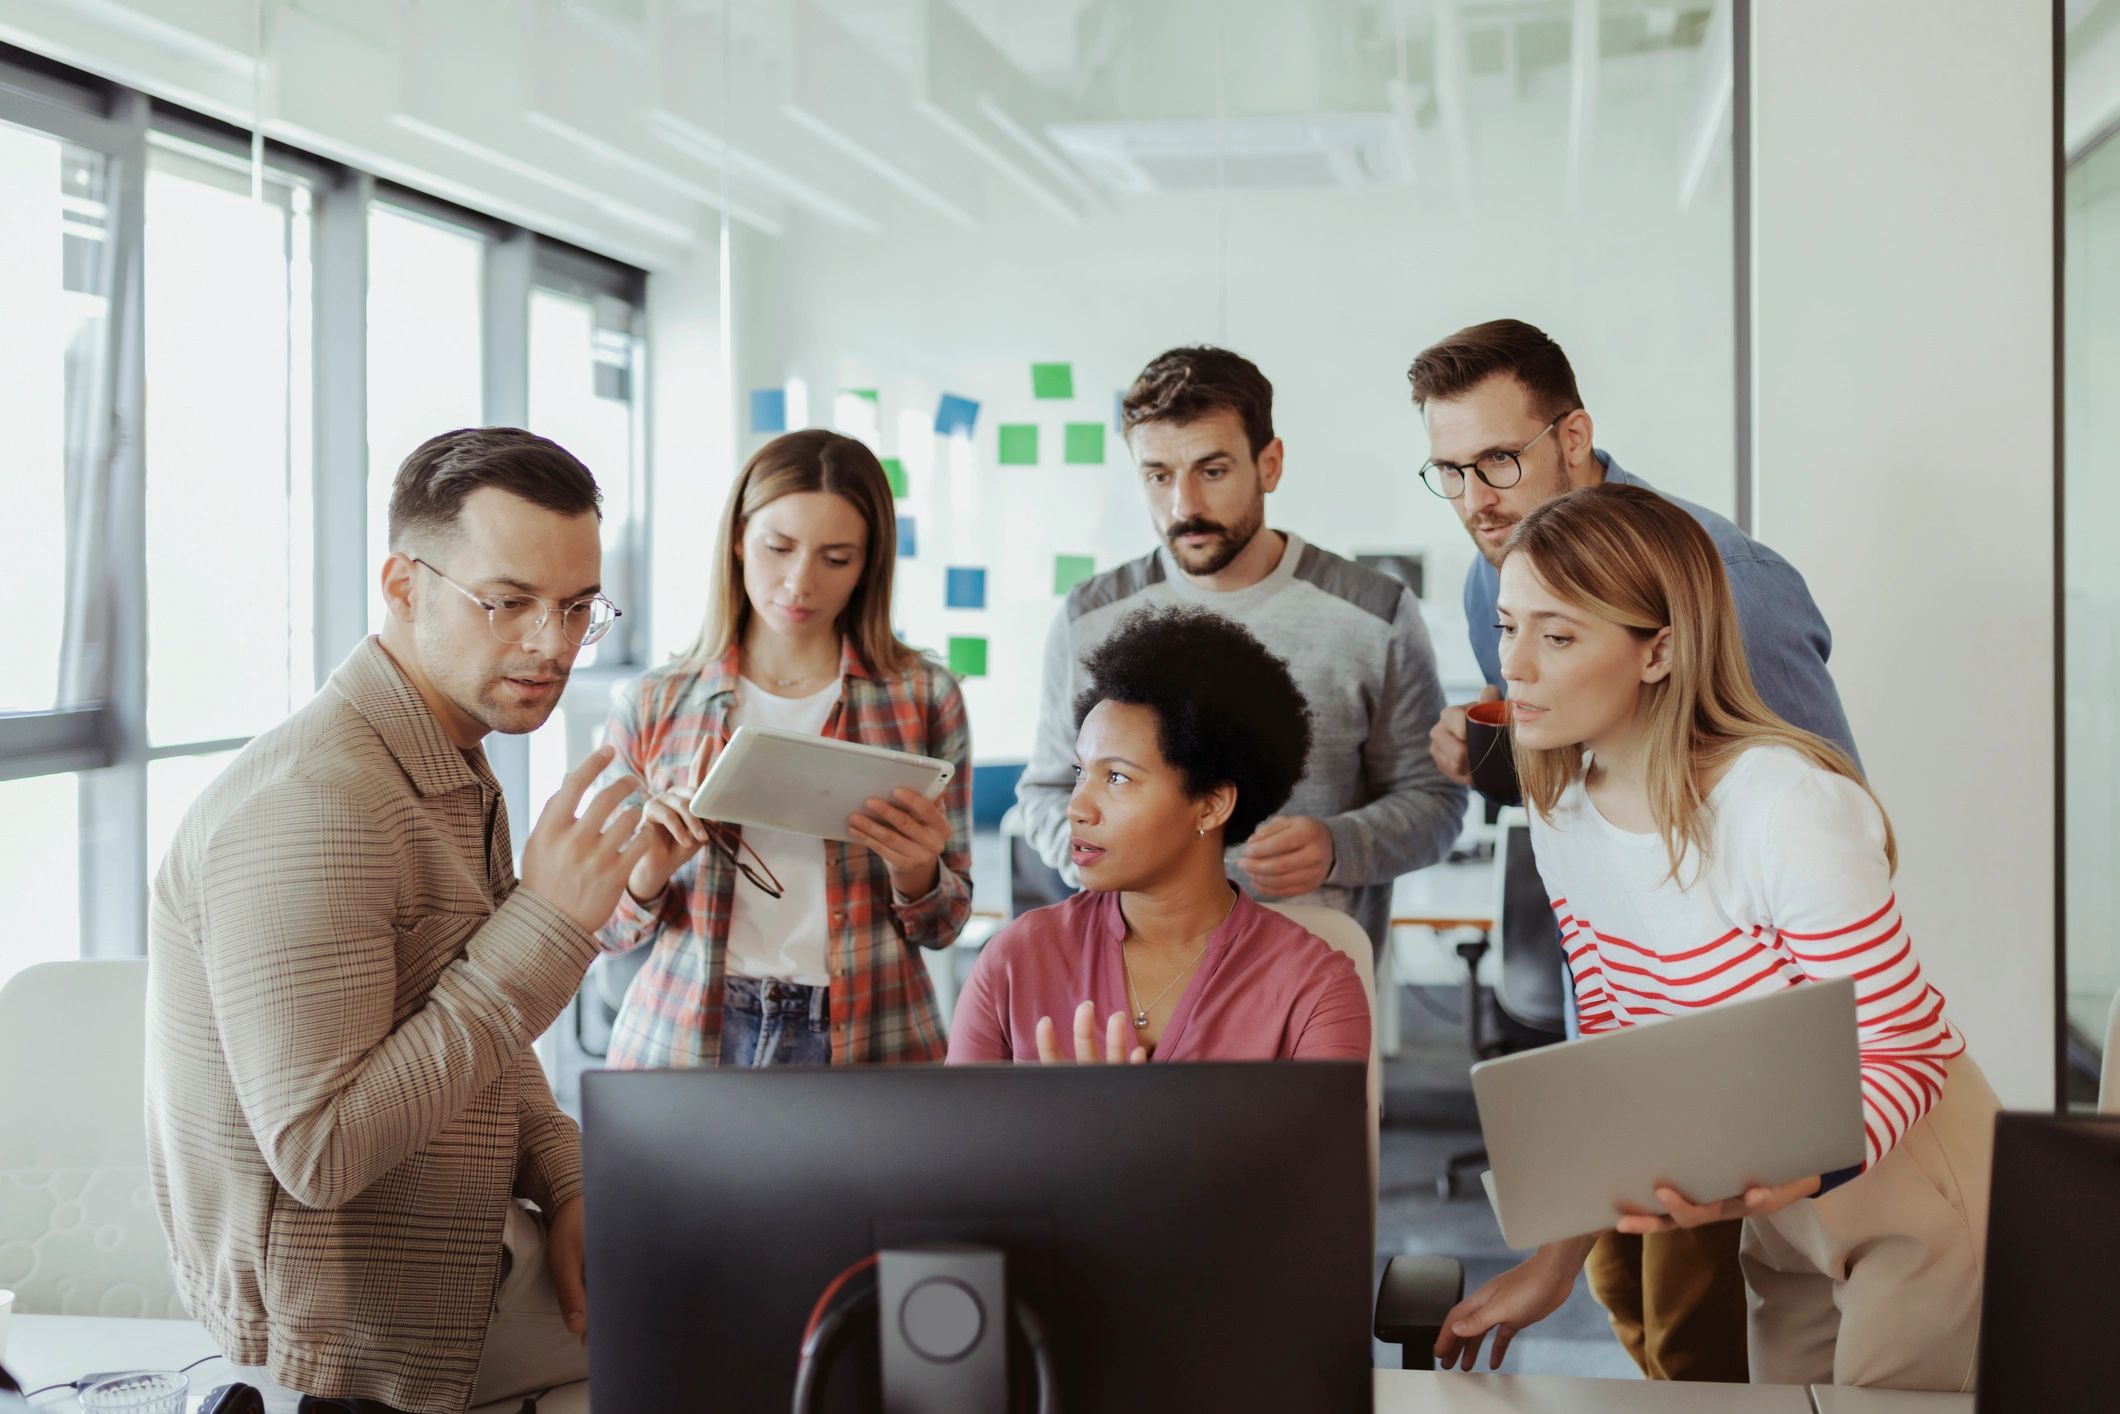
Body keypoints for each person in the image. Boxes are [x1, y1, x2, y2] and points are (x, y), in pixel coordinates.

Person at [1435, 485, 1995, 1392]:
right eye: (1508, 627)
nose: (1517, 668)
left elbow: (1905, 1047)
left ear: (1657, 650)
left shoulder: (1781, 806)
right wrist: (1549, 1270)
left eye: (1560, 635)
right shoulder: (1560, 809)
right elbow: (1619, 1050)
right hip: (1777, 1195)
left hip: (1912, 1192)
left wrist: (1803, 1173)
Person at [145, 428, 646, 1414]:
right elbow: (321, 1148)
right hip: (340, 1343)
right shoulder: (317, 804)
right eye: (506, 603)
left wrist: (568, 1173)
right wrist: (546, 928)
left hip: (457, 1251)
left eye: (577, 606)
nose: (550, 643)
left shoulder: (447, 758)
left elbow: (464, 1033)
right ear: (404, 584)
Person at [1410, 318, 1860, 1382]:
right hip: (1611, 1006)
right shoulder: (1494, 576)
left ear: (1574, 437)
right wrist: (1493, 764)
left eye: (1497, 460)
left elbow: (1815, 802)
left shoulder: (1722, 578)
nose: (1474, 496)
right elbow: (1577, 761)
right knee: (1630, 1307)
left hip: (1723, 1035)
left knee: (1699, 1342)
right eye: (1446, 471)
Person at [1015, 345, 1465, 957]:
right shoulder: (1088, 617)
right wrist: (1097, 849)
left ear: (1270, 465)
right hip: (1130, 982)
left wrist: (1339, 845)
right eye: (1158, 476)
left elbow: (1435, 804)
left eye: (1213, 470)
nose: (1185, 506)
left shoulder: (1375, 613)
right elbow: (1044, 795)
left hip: (1313, 977)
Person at [597, 429, 972, 1067]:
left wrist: (915, 872)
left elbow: (945, 925)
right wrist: (649, 869)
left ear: (868, 564)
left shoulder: (922, 695)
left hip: (873, 1034)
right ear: (739, 540)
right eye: (779, 547)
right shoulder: (654, 702)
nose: (799, 583)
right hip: (687, 1038)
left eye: (836, 558)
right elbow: (605, 929)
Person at [951, 606, 1369, 1065]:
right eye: (1080, 773)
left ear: (1210, 804)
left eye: (1117, 778)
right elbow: (959, 1136)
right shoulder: (1014, 960)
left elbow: (1323, 1140)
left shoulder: (1314, 986)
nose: (1076, 808)